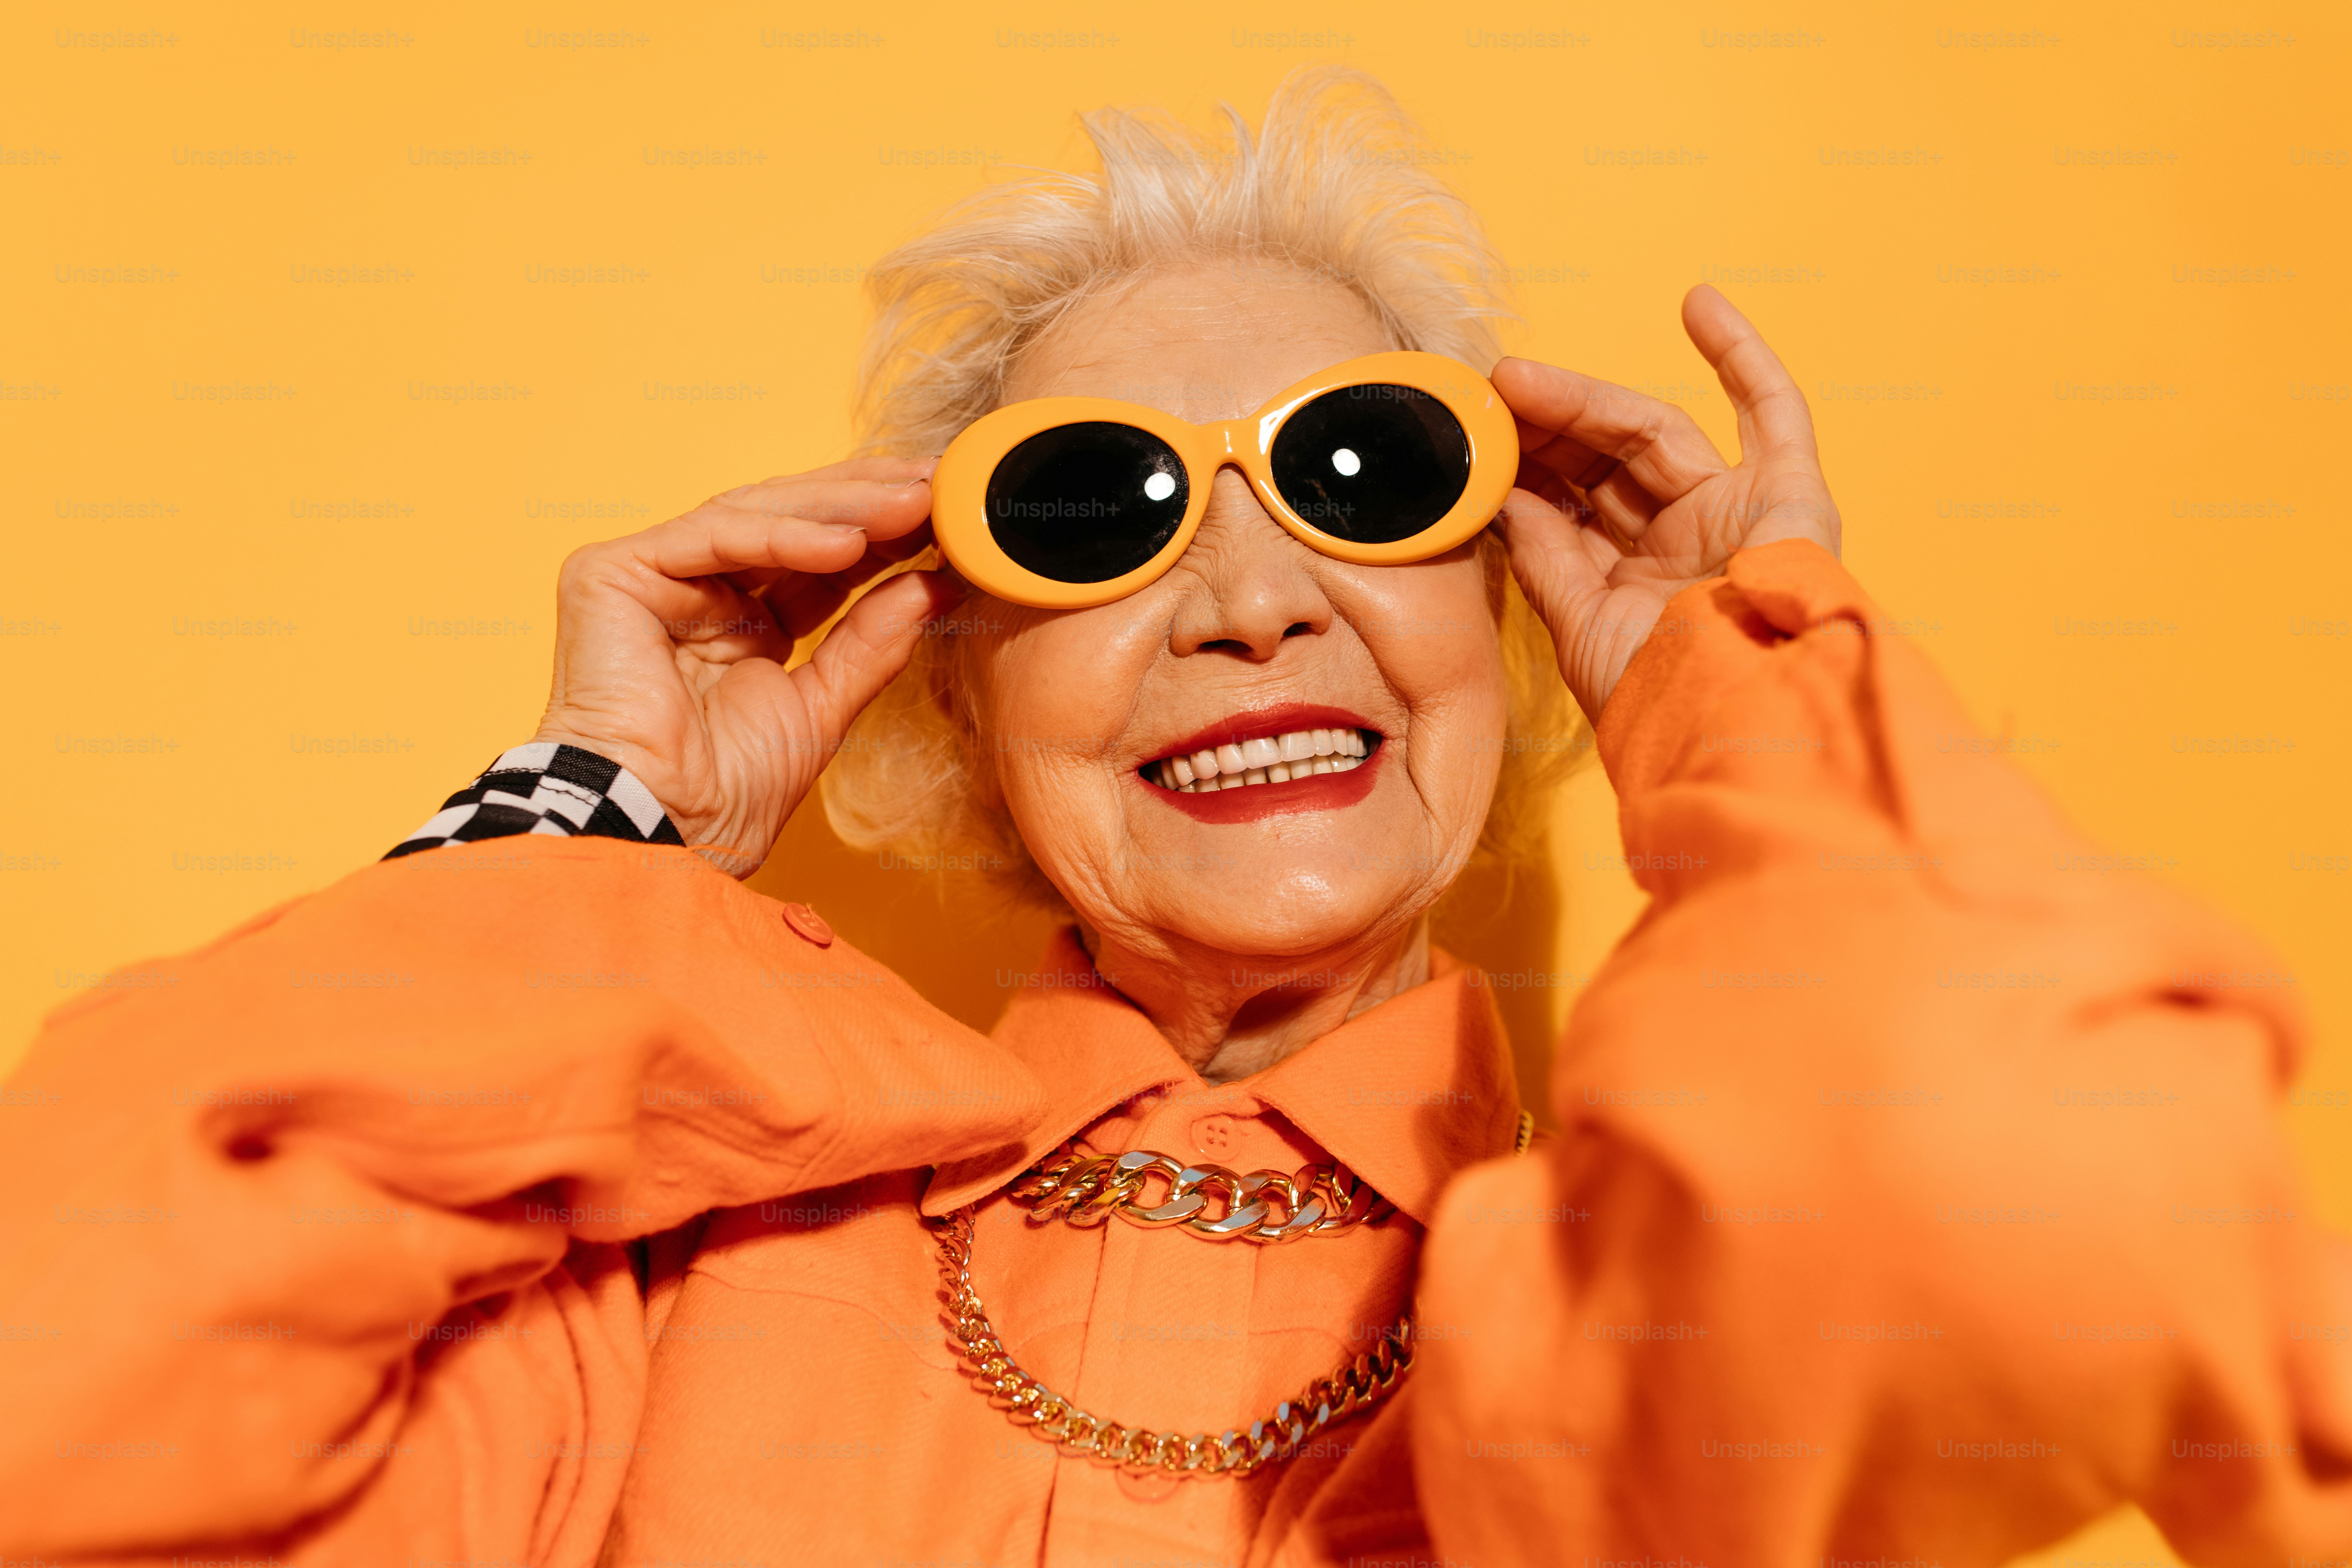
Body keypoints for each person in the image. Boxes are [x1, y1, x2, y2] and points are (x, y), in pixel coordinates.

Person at [5, 66, 2346, 1568]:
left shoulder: (1639, 1324)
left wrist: (1736, 697)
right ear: (948, 669)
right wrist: (582, 836)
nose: (1248, 601)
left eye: (1366, 478)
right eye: (1097, 511)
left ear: (1507, 610)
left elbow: (2041, 1172)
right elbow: (61, 1402)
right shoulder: (632, 1307)